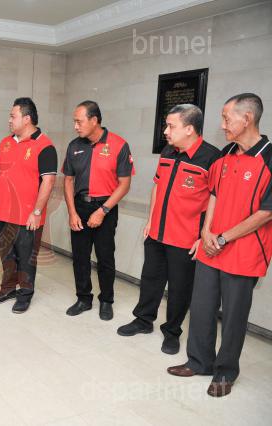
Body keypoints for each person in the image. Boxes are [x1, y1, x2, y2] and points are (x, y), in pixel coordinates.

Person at [168, 93, 270, 398]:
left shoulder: (269, 158)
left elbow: (266, 213)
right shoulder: (226, 153)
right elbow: (214, 193)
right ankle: (199, 361)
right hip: (211, 248)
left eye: (227, 118)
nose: (222, 124)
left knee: (234, 317)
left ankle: (226, 372)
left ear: (247, 118)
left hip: (244, 252)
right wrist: (207, 231)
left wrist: (224, 238)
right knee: (201, 308)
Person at [117, 104, 220, 354]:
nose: (165, 131)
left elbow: (217, 200)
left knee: (179, 289)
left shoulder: (212, 158)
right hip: (157, 233)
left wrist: (203, 235)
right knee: (150, 280)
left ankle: (172, 332)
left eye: (171, 126)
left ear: (189, 129)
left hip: (186, 238)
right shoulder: (167, 151)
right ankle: (143, 320)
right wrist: (151, 220)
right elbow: (157, 186)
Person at [62, 100, 134, 320]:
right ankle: (83, 298)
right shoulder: (74, 146)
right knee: (80, 257)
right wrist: (72, 212)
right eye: (74, 121)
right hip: (80, 206)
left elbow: (124, 184)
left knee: (105, 257)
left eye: (79, 121)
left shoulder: (119, 145)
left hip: (106, 207)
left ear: (94, 120)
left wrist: (102, 210)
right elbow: (68, 180)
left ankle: (106, 301)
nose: (75, 126)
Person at [0, 97, 58, 314]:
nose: (9, 120)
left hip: (28, 216)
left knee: (27, 258)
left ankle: (25, 294)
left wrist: (36, 212)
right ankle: (8, 288)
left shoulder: (45, 146)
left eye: (13, 116)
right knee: (6, 255)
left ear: (27, 119)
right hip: (2, 213)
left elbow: (48, 181)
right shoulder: (6, 142)